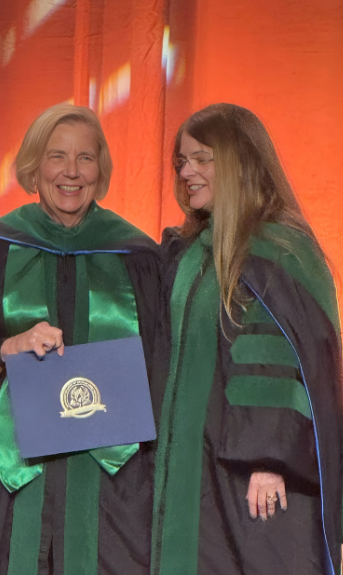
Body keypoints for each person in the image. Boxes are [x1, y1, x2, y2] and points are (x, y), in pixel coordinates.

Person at [0, 103, 166, 575]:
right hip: (10, 472)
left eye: (86, 158)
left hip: (112, 475)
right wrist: (2, 351)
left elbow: (158, 367)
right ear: (34, 168)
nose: (71, 172)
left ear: (101, 170)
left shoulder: (139, 257)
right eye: (57, 156)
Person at [152, 103, 342, 575]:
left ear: (239, 161)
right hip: (189, 462)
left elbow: (278, 361)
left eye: (201, 158)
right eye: (181, 161)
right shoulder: (192, 252)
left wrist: (267, 458)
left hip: (248, 474)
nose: (186, 171)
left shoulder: (278, 249)